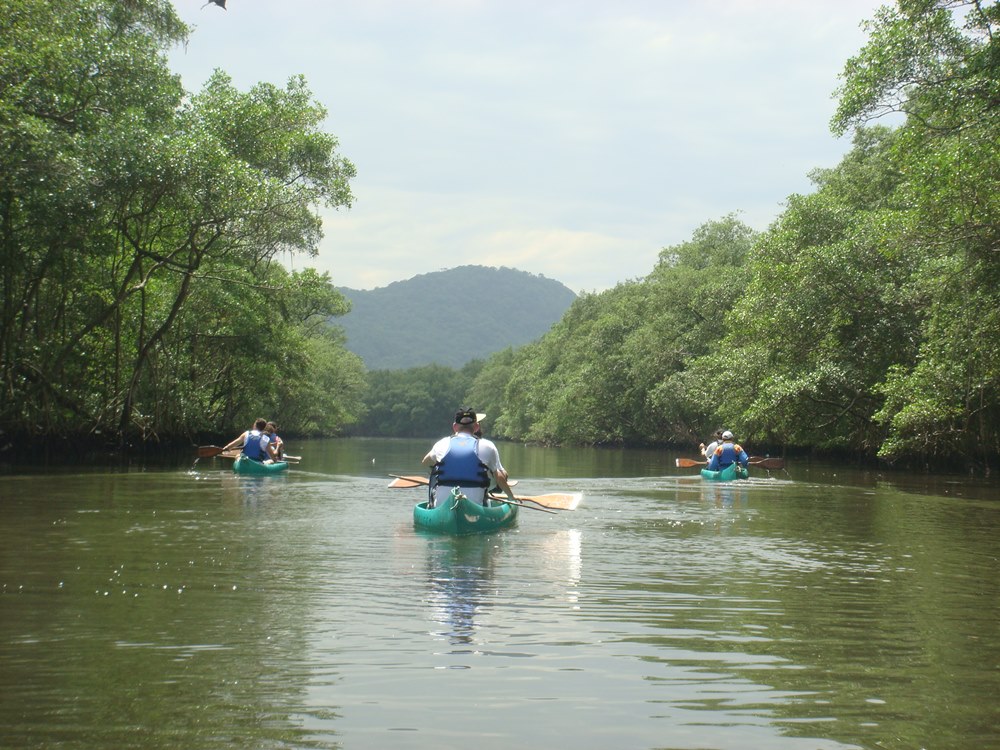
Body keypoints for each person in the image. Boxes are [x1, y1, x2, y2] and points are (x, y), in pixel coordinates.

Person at [421, 407, 515, 508]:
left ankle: (433, 506)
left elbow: (425, 462)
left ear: (455, 427)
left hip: (442, 505)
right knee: (489, 480)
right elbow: (499, 477)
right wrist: (511, 498)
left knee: (435, 474)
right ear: (476, 427)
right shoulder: (488, 446)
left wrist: (437, 470)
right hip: (476, 505)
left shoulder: (441, 444)